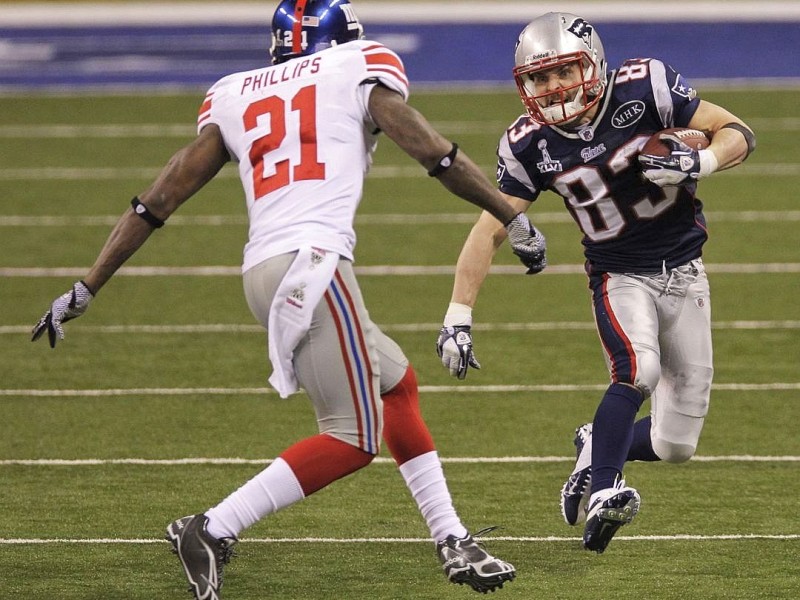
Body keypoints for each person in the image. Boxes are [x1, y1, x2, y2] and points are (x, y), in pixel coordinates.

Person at [31, 1, 548, 597]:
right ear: (343, 39)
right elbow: (434, 152)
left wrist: (88, 283)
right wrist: (510, 216)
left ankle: (451, 538)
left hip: (264, 272)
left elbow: (160, 196)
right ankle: (212, 526)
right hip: (314, 268)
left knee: (396, 384)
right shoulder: (360, 66)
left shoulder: (234, 92)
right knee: (353, 437)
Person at [436, 12, 755, 554]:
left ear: (595, 66)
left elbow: (738, 131)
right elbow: (489, 229)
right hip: (618, 273)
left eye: (564, 72)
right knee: (638, 369)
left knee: (677, 444)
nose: (554, 87)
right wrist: (457, 315)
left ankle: (596, 445)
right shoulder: (527, 142)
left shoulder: (645, 85)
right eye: (539, 78)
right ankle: (606, 491)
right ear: (523, 85)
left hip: (685, 270)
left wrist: (697, 161)